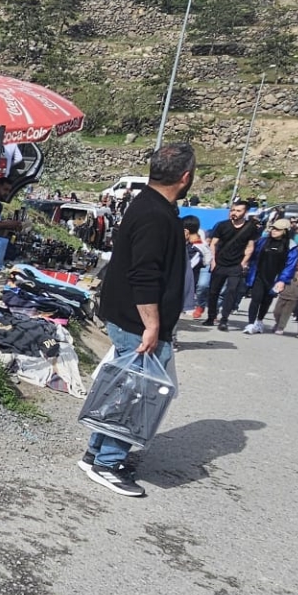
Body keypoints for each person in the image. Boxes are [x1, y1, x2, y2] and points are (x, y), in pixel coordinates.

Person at [81, 142, 194, 499]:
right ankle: (108, 463)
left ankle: (97, 453)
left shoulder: (150, 205)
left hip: (129, 317)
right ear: (186, 177)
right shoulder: (154, 214)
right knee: (136, 393)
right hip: (136, 321)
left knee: (123, 387)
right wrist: (153, 325)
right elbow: (144, 274)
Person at [202, 200, 260, 331]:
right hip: (219, 263)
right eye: (233, 210)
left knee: (231, 291)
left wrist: (243, 263)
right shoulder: (222, 225)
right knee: (213, 291)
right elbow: (213, 243)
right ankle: (211, 317)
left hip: (236, 265)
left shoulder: (250, 228)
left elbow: (250, 247)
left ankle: (224, 319)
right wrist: (213, 261)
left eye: (238, 210)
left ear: (245, 212)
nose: (234, 213)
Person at [241, 219, 298, 334]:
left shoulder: (291, 246)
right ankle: (250, 324)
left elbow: (290, 265)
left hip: (275, 278)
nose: (274, 231)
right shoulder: (263, 241)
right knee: (256, 298)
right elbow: (253, 254)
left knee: (266, 301)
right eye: (273, 228)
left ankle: (259, 321)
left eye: (278, 229)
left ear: (285, 231)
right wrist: (246, 264)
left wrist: (282, 280)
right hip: (259, 275)